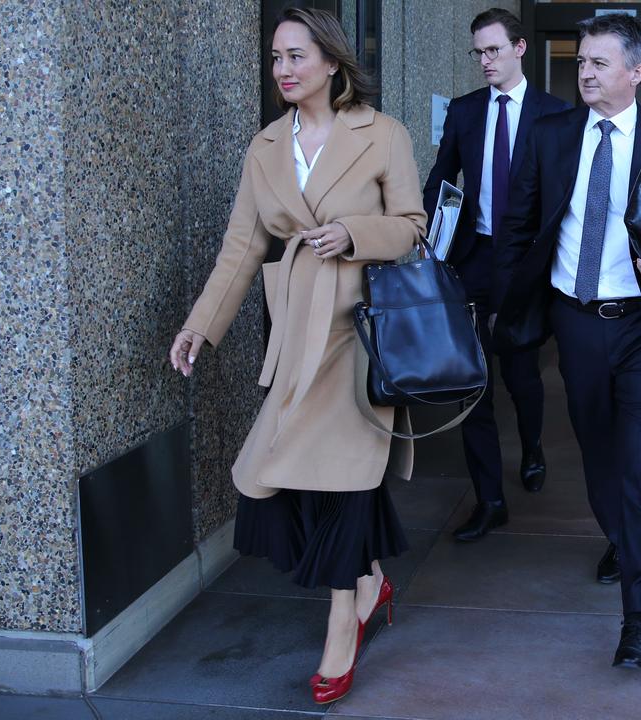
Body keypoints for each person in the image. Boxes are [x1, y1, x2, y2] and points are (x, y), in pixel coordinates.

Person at [166, 7, 425, 705]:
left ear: (332, 62)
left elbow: (411, 228)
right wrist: (201, 326)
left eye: (296, 56)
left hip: (359, 329)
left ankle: (345, 619)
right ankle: (368, 581)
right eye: (276, 57)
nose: (283, 69)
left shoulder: (383, 135)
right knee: (272, 478)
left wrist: (351, 232)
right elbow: (241, 250)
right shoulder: (266, 147)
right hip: (293, 334)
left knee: (346, 479)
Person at [493, 14, 641, 672]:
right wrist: (505, 304)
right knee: (599, 458)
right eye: (582, 61)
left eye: (599, 63)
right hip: (577, 323)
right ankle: (623, 539)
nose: (585, 72)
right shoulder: (550, 136)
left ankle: (639, 619)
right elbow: (519, 226)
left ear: (637, 72)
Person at [424, 8, 569, 542]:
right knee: (472, 381)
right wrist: (430, 240)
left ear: (519, 48)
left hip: (525, 263)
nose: (484, 61)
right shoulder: (463, 113)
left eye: (493, 50)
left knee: (521, 372)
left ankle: (532, 445)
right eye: (478, 52)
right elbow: (441, 179)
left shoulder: (554, 115)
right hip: (472, 257)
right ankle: (489, 499)